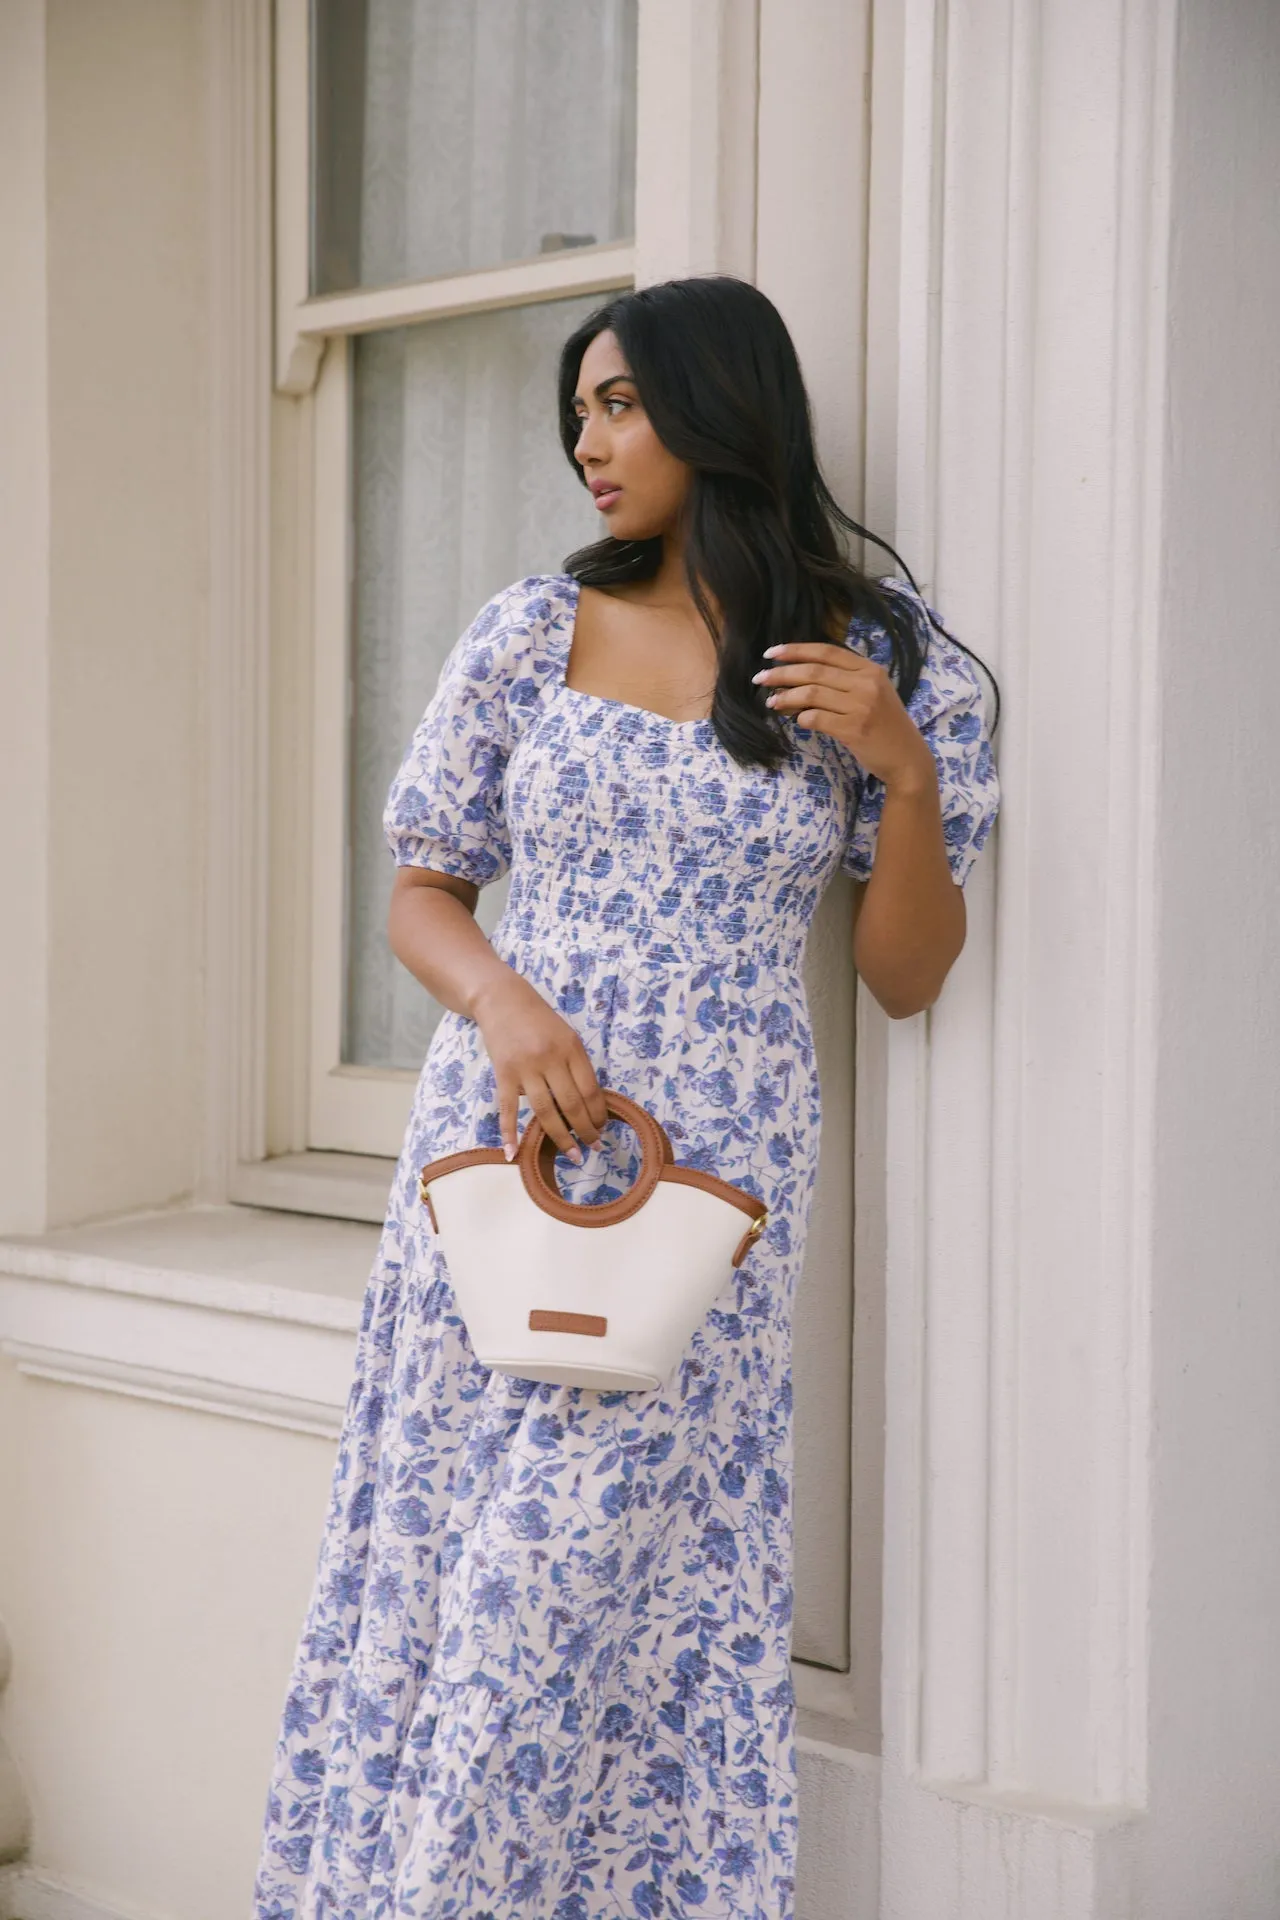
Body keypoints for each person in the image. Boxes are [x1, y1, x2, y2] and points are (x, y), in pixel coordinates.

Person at [253, 273, 1001, 1919]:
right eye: (578, 411)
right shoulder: (534, 629)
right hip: (499, 1154)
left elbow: (908, 973)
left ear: (720, 407)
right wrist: (509, 1005)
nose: (590, 442)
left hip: (713, 1190)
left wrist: (909, 772)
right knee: (464, 1564)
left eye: (622, 404)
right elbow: (421, 890)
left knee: (608, 1587)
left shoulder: (872, 661)